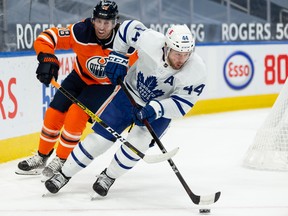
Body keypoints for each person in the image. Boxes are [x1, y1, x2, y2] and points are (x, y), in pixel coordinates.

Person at [44, 20, 207, 196]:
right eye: (177, 53)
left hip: (159, 111)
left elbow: (182, 104)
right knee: (99, 140)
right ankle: (63, 174)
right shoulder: (151, 41)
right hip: (127, 96)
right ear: (166, 47)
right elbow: (127, 28)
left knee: (136, 146)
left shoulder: (197, 70)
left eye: (186, 54)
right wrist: (118, 56)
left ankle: (108, 177)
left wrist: (155, 109)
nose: (181, 59)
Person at [16, 0, 136, 180]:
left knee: (76, 114)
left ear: (115, 22)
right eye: (99, 21)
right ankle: (42, 157)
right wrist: (47, 58)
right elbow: (47, 37)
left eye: (107, 22)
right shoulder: (81, 31)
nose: (102, 27)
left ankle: (62, 159)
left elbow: (144, 65)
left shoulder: (127, 41)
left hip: (105, 86)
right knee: (54, 113)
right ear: (93, 20)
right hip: (80, 77)